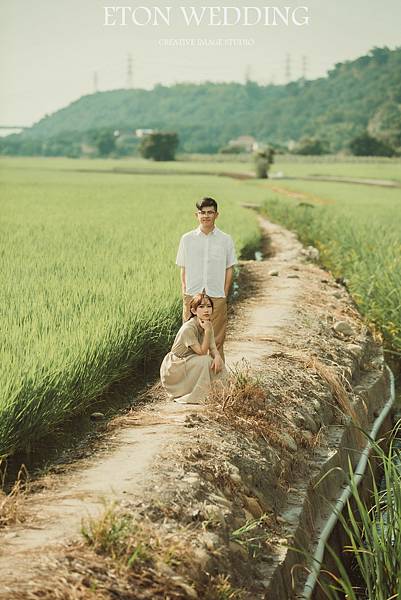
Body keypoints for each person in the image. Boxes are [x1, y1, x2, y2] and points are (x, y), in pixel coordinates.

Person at [176, 197, 237, 361]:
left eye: (210, 212)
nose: (206, 216)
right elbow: (184, 268)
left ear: (216, 215)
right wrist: (185, 293)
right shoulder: (187, 239)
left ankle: (217, 383)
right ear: (197, 215)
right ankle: (191, 379)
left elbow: (229, 268)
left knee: (216, 341)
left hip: (216, 295)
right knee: (190, 339)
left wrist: (224, 294)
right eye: (202, 212)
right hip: (192, 296)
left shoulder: (225, 240)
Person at [160, 293, 226, 404]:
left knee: (216, 362)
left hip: (190, 362)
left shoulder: (207, 324)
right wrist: (208, 331)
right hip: (175, 367)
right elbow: (202, 352)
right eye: (201, 307)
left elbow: (213, 348)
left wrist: (218, 357)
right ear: (194, 311)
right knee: (206, 361)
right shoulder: (188, 328)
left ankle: (224, 392)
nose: (206, 310)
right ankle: (203, 394)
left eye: (209, 306)